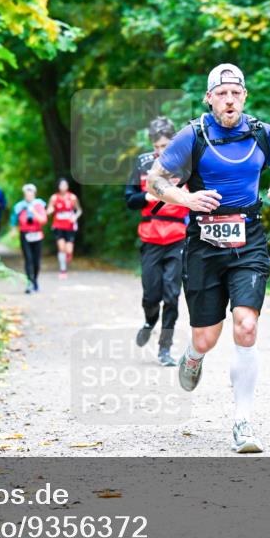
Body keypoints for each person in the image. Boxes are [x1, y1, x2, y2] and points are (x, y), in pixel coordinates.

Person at [143, 63, 270, 453]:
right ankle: (193, 356)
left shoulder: (263, 134)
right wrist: (187, 198)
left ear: (244, 96)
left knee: (246, 326)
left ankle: (243, 424)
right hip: (203, 244)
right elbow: (155, 181)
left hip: (249, 238)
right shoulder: (191, 136)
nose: (229, 100)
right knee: (206, 337)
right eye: (221, 93)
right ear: (209, 98)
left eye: (236, 93)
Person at [124, 116, 188, 367]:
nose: (161, 152)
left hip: (178, 237)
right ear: (152, 144)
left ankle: (165, 349)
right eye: (157, 146)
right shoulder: (142, 164)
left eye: (166, 146)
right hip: (150, 236)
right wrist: (148, 197)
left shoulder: (187, 165)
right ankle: (150, 320)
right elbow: (129, 200)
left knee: (172, 296)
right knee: (152, 294)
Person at [10, 184, 48, 294]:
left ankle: (35, 279)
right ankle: (29, 283)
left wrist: (34, 211)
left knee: (36, 261)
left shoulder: (39, 205)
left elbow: (43, 220)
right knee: (28, 259)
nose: (28, 196)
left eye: (31, 194)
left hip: (37, 234)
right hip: (25, 234)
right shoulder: (19, 206)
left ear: (34, 194)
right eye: (27, 194)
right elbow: (14, 218)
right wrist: (13, 229)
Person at [46, 178, 82, 279]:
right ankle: (63, 270)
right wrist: (48, 211)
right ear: (58, 186)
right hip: (58, 225)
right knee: (61, 248)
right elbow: (50, 208)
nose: (63, 187)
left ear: (67, 186)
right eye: (61, 185)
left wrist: (75, 216)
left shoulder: (72, 197)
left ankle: (68, 255)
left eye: (65, 185)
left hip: (69, 225)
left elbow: (79, 210)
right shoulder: (54, 197)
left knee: (69, 250)